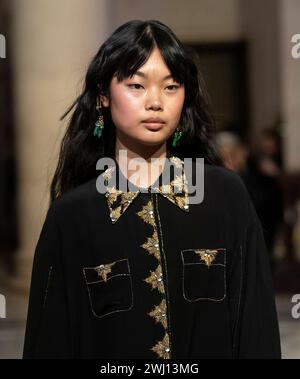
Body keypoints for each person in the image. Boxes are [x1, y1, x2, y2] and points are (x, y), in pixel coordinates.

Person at [23, 20, 281, 359]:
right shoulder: (71, 217)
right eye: (136, 85)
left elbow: (257, 327)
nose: (155, 101)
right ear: (103, 94)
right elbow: (50, 343)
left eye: (171, 86)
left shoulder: (225, 197)